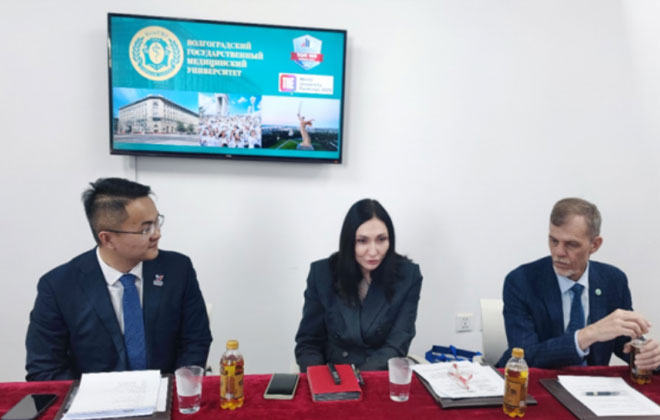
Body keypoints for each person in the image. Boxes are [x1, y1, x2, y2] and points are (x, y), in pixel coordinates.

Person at [25, 178, 212, 381]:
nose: (157, 234)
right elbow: (44, 368)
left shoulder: (178, 269)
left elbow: (195, 341)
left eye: (157, 222)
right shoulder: (58, 287)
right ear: (107, 239)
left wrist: (179, 387)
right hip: (93, 397)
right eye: (145, 229)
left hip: (165, 391)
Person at [497, 198, 660, 369]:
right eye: (554, 241)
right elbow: (525, 356)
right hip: (538, 380)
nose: (558, 252)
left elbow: (624, 343)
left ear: (594, 245)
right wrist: (589, 334)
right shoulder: (522, 281)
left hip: (592, 383)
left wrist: (647, 355)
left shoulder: (613, 280)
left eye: (571, 244)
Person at [295, 199, 423, 372]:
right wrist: (319, 379)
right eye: (362, 241)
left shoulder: (408, 276)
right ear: (349, 242)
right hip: (333, 373)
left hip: (378, 372)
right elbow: (309, 342)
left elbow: (397, 343)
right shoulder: (322, 274)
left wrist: (358, 379)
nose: (373, 251)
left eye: (381, 239)